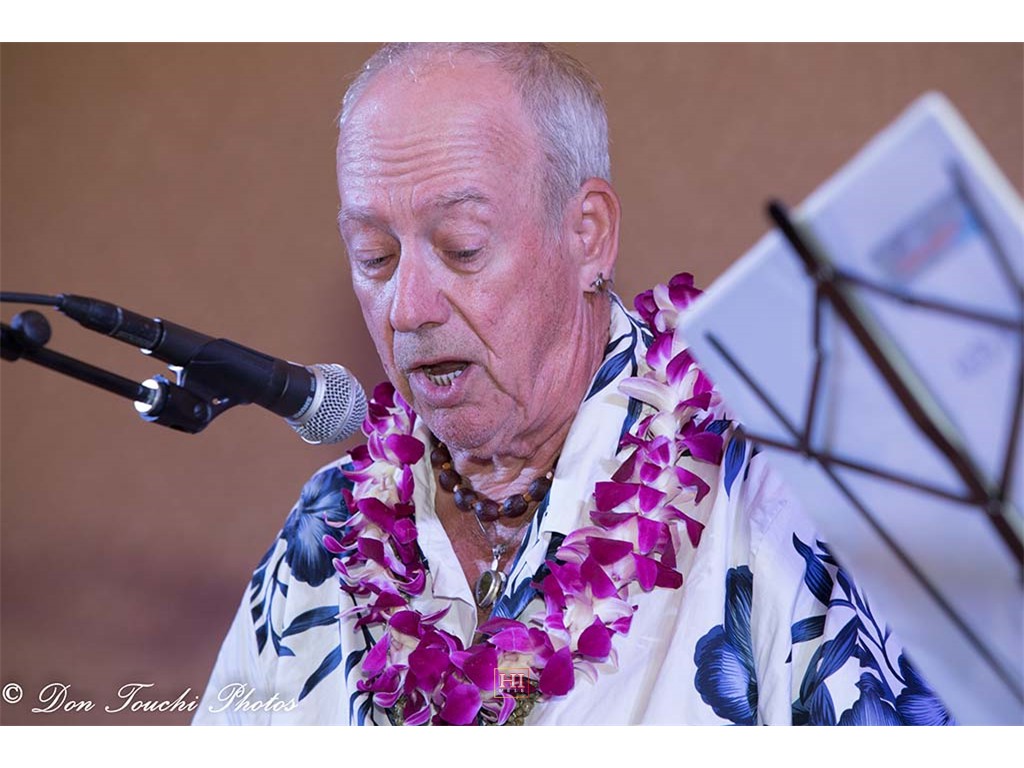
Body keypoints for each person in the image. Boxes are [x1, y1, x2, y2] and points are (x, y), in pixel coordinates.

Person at [193, 43, 952, 726]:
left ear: (587, 233)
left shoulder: (773, 499)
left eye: (462, 248)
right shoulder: (327, 531)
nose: (408, 308)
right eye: (374, 258)